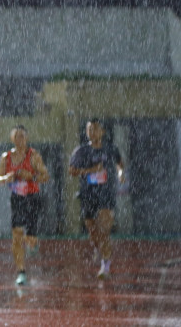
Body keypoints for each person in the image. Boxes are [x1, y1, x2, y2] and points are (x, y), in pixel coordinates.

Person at [68, 118, 125, 279]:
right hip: (88, 194)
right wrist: (90, 170)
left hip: (106, 193)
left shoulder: (111, 149)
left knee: (104, 230)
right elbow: (71, 171)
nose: (92, 132)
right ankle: (99, 248)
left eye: (95, 129)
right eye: (89, 130)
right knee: (93, 233)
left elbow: (120, 163)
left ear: (102, 131)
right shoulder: (81, 151)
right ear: (86, 132)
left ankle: (105, 265)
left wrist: (120, 173)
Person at [0, 125, 50, 286]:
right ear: (12, 139)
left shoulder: (33, 156)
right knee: (17, 235)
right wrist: (7, 178)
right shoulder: (6, 157)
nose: (19, 139)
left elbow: (45, 176)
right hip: (17, 199)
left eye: (22, 136)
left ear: (27, 138)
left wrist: (31, 176)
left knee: (30, 237)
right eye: (17, 136)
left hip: (32, 198)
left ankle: (32, 241)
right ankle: (21, 272)